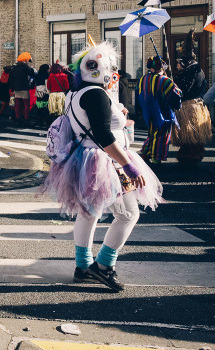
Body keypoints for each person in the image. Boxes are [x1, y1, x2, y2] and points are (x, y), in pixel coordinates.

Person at [41, 41, 163, 292]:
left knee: (89, 213)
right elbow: (104, 136)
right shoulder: (96, 94)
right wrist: (129, 166)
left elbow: (94, 121)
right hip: (105, 160)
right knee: (128, 214)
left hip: (85, 159)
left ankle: (83, 267)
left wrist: (117, 111)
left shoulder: (76, 92)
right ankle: (104, 266)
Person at [172, 31, 212, 165]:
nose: (178, 65)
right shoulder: (198, 70)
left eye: (179, 62)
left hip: (189, 107)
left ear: (185, 62)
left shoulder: (190, 71)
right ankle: (194, 155)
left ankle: (190, 158)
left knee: (190, 135)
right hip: (197, 106)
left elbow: (184, 90)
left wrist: (174, 80)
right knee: (194, 137)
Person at [137, 56, 183, 164]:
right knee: (162, 135)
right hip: (162, 112)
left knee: (152, 133)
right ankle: (156, 159)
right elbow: (177, 94)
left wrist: (139, 110)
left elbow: (138, 94)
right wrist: (173, 84)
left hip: (148, 112)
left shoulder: (143, 79)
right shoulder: (164, 80)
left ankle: (145, 153)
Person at [9, 52, 36, 123]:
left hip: (16, 88)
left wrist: (12, 89)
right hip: (24, 87)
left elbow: (11, 79)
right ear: (25, 60)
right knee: (26, 104)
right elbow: (31, 74)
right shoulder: (25, 67)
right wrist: (32, 68)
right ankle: (26, 118)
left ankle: (18, 117)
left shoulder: (14, 67)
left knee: (17, 104)